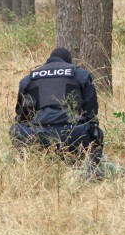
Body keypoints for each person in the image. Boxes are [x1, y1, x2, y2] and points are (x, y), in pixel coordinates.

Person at [9, 47, 105, 178]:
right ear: (68, 62)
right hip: (74, 136)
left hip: (37, 138)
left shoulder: (29, 78)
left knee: (16, 129)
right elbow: (91, 114)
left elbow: (22, 116)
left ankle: (28, 164)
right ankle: (89, 167)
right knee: (94, 129)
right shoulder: (80, 74)